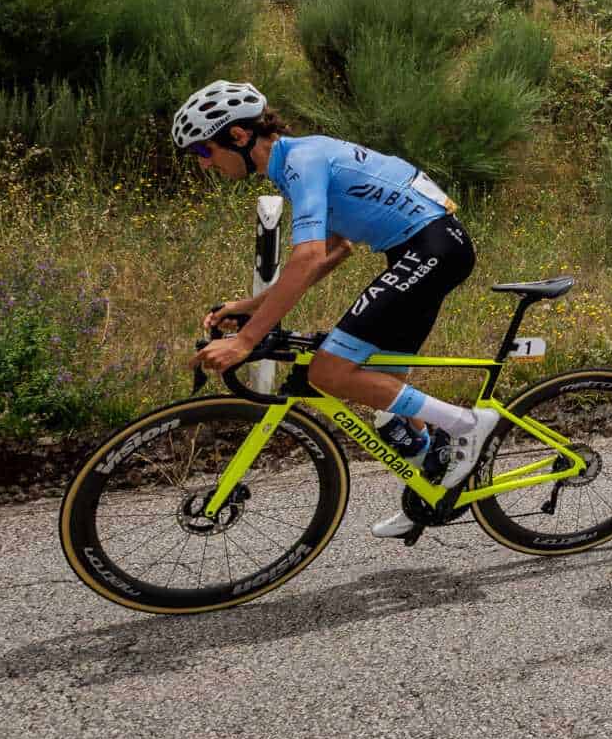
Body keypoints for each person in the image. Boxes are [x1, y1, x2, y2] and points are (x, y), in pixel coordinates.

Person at [181, 79, 498, 541]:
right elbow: (335, 250)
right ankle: (432, 490)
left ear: (237, 136)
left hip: (432, 246)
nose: (204, 164)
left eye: (203, 152)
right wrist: (253, 306)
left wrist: (246, 340)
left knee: (328, 371)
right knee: (385, 393)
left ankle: (469, 425)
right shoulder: (293, 164)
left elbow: (308, 257)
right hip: (421, 249)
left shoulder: (302, 162)